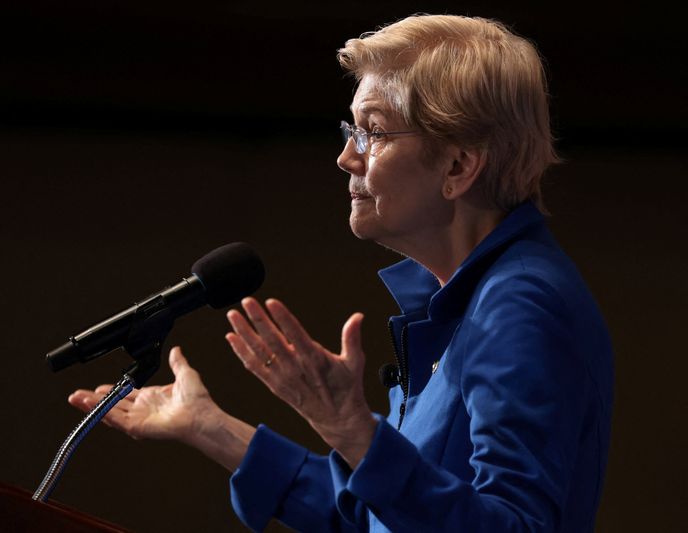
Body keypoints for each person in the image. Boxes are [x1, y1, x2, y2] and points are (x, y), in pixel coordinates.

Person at [68, 14, 613, 532]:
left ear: (458, 166)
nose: (346, 157)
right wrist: (210, 427)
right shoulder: (468, 301)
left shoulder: (520, 306)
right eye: (351, 128)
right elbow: (374, 519)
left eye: (373, 131)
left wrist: (355, 434)